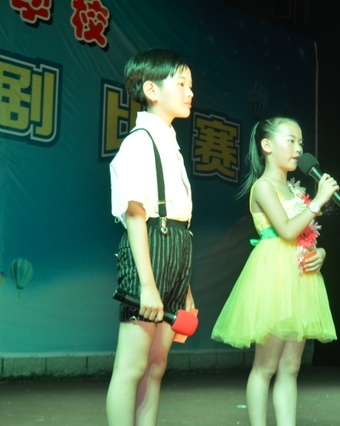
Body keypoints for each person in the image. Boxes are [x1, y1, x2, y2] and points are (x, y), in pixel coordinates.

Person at [211, 117, 340, 426]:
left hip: (300, 276)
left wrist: (321, 253)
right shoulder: (263, 187)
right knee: (265, 366)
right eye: (291, 141)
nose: (299, 149)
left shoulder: (294, 189)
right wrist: (318, 201)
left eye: (301, 143)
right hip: (273, 277)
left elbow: (306, 234)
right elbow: (286, 230)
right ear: (267, 146)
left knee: (291, 367)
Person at [106, 48, 196, 426]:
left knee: (156, 366)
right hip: (149, 246)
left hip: (175, 247)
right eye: (182, 83)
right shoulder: (139, 141)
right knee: (132, 367)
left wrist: (184, 288)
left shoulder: (169, 143)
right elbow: (135, 215)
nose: (190, 92)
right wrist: (147, 284)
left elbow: (178, 220)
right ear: (152, 90)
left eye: (191, 85)